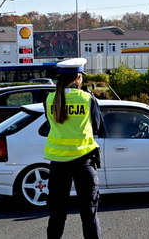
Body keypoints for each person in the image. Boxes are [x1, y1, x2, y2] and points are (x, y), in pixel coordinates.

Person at [44, 58, 102, 239]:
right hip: (83, 160)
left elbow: (50, 123)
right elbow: (98, 126)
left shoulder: (50, 98)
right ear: (78, 77)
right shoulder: (87, 99)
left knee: (57, 214)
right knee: (88, 213)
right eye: (81, 77)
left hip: (58, 163)